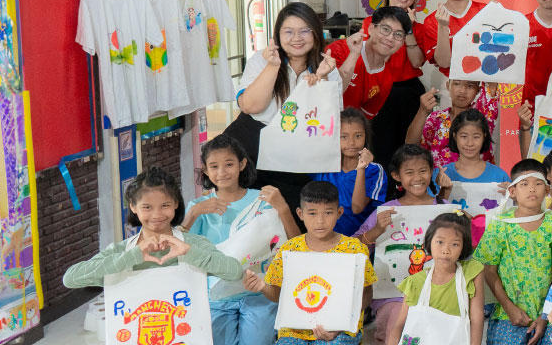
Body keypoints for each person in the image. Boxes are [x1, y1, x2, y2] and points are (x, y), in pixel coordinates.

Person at [184, 135, 298, 345]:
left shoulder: (263, 200)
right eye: (214, 166)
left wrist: (283, 208)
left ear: (242, 164)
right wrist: (193, 214)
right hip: (215, 295)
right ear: (205, 170)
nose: (222, 172)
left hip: (259, 292)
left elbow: (296, 245)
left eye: (229, 164)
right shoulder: (198, 207)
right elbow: (180, 249)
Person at [233, 2, 339, 222]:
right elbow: (250, 106)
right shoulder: (261, 60)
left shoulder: (327, 66)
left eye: (304, 31)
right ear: (278, 35)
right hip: (252, 148)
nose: (296, 38)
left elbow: (328, 122)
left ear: (315, 33)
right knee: (253, 221)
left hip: (297, 156)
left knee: (292, 219)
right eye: (288, 32)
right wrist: (273, 66)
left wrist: (321, 79)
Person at [63, 167, 249, 290]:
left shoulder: (192, 244)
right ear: (133, 207)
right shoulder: (122, 251)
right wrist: (132, 256)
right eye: (147, 207)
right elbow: (71, 279)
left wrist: (189, 252)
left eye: (165, 205)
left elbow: (234, 272)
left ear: (176, 204)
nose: (157, 214)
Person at [262, 181, 378, 344]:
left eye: (328, 213)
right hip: (295, 330)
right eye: (312, 213)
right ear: (300, 213)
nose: (320, 221)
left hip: (340, 330)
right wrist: (260, 286)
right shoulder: (290, 249)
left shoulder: (354, 249)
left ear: (339, 212)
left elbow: (365, 293)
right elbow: (277, 295)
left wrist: (339, 326)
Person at [353, 145, 447, 344]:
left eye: (423, 171)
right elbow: (352, 248)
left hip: (438, 293)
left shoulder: (445, 208)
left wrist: (465, 227)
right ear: (396, 176)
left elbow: (463, 250)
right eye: (409, 172)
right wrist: (376, 230)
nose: (417, 178)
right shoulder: (386, 211)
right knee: (395, 323)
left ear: (432, 172)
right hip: (393, 295)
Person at [474, 160, 552, 345]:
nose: (532, 189)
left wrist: (545, 315)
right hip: (507, 316)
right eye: (524, 184)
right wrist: (509, 308)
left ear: (547, 190)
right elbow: (489, 271)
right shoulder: (500, 225)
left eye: (538, 183)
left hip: (548, 317)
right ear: (512, 191)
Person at [358, 0, 434, 160]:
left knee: (410, 150)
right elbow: (372, 60)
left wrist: (408, 30)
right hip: (378, 91)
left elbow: (417, 62)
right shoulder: (371, 24)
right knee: (379, 148)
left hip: (409, 92)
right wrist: (393, 30)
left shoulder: (419, 28)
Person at [384, 211, 487, 345]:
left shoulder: (472, 272)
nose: (445, 250)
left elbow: (477, 319)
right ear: (429, 242)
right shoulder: (415, 282)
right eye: (440, 242)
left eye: (455, 244)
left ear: (463, 247)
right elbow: (399, 325)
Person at [329, 6, 419, 149]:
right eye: (385, 29)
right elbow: (331, 91)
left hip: (346, 140)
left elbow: (364, 120)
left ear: (402, 42)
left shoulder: (387, 79)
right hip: (320, 126)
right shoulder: (340, 49)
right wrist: (354, 55)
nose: (390, 38)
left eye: (398, 34)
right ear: (371, 28)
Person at [310, 108, 389, 236]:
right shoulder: (324, 167)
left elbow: (357, 208)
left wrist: (361, 168)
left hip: (362, 240)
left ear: (366, 137)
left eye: (358, 136)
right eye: (343, 137)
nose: (351, 142)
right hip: (326, 239)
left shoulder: (374, 170)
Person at [437, 110, 512, 243]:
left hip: (491, 247)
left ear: (484, 136)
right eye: (464, 136)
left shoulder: (500, 175)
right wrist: (444, 190)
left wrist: (515, 195)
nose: (470, 143)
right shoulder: (443, 174)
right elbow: (432, 214)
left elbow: (512, 216)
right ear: (454, 136)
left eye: (476, 137)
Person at [408, 78, 500, 168]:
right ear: (448, 86)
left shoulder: (483, 115)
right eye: (457, 84)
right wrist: (422, 111)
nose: (462, 91)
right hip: (440, 177)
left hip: (477, 177)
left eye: (470, 86)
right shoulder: (435, 118)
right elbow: (411, 145)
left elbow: (492, 80)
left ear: (478, 90)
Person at [431, 0, 490, 76]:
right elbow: (444, 63)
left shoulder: (485, 11)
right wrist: (442, 27)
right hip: (452, 83)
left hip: (486, 80)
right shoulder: (432, 21)